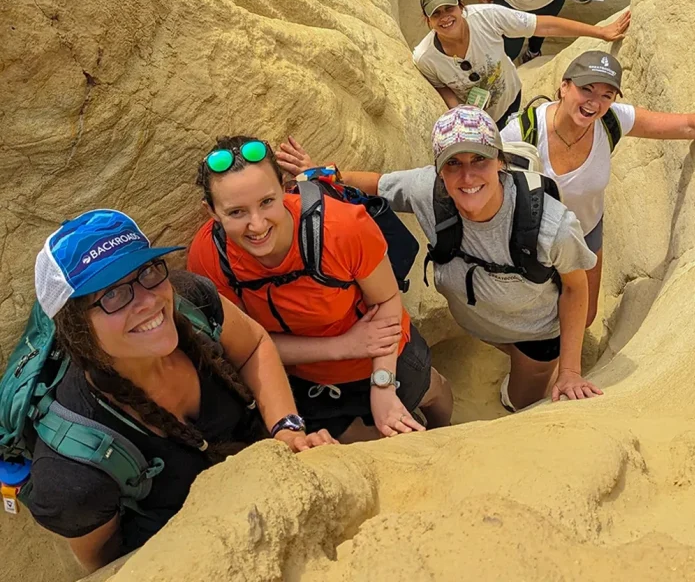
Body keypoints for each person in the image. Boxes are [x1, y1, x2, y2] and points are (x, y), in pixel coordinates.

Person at [24, 209, 333, 573]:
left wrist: (287, 430)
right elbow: (106, 565)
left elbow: (253, 346)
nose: (148, 300)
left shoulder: (191, 300)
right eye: (113, 294)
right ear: (77, 328)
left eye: (147, 272)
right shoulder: (73, 477)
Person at [277, 107, 602, 413]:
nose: (468, 177)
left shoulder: (551, 227)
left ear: (500, 162)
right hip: (481, 323)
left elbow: (575, 288)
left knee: (520, 402)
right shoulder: (428, 190)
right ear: (439, 170)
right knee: (505, 351)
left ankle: (528, 383)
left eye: (480, 159)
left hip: (535, 334)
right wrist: (317, 174)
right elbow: (376, 184)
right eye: (453, 163)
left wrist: (570, 372)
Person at [187, 136, 453, 443]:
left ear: (284, 188)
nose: (257, 225)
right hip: (308, 377)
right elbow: (247, 346)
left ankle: (447, 431)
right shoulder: (210, 257)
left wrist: (383, 385)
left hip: (385, 352)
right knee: (365, 439)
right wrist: (343, 346)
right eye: (236, 212)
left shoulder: (341, 228)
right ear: (211, 211)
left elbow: (387, 300)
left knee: (431, 391)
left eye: (267, 202)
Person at [501, 50, 695, 329]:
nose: (595, 102)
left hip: (585, 231)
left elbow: (685, 125)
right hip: (535, 238)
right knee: (532, 316)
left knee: (584, 316)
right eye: (586, 89)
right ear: (564, 87)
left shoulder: (611, 121)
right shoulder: (522, 133)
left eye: (607, 95)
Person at [415, 0, 629, 129]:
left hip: (511, 96)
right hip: (480, 122)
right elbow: (441, 87)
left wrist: (600, 32)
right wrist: (464, 117)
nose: (445, 17)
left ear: (461, 6)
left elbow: (543, 26)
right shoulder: (425, 58)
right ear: (427, 20)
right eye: (436, 14)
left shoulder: (487, 17)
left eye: (449, 8)